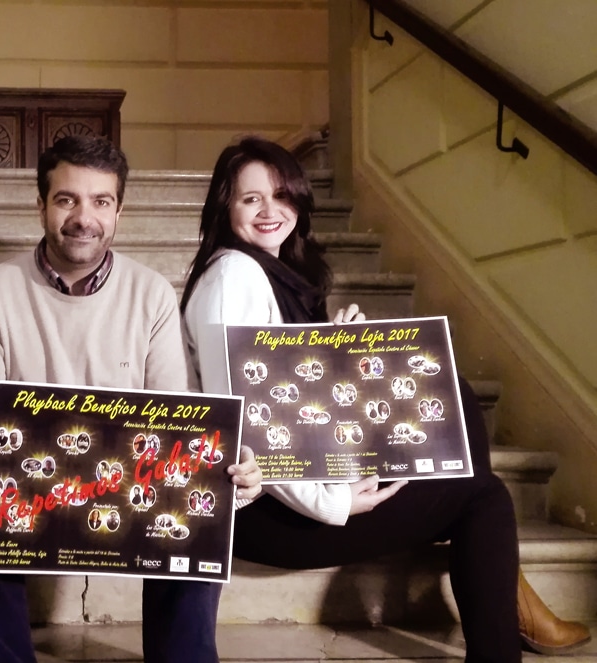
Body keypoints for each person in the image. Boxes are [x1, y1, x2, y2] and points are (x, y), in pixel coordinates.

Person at [179, 135, 591, 661]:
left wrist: (337, 347)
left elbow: (283, 386)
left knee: (448, 391)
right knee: (482, 497)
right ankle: (507, 607)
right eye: (250, 199)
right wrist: (335, 501)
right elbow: (251, 427)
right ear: (225, 206)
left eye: (281, 196)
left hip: (297, 484)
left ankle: (507, 587)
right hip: (264, 513)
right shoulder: (232, 276)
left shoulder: (266, 273)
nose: (270, 211)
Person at [0, 134, 263, 663]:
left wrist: (228, 459)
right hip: (30, 488)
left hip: (129, 490)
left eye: (101, 201)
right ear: (40, 205)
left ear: (119, 211)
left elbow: (180, 410)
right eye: (67, 199)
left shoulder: (150, 291)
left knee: (205, 488)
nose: (84, 217)